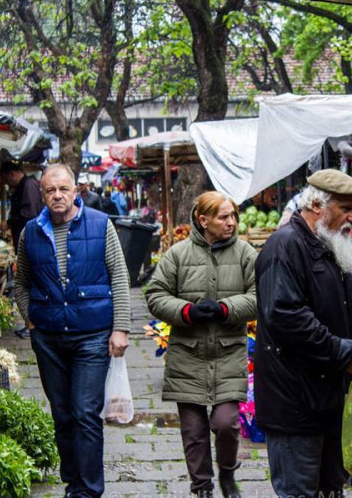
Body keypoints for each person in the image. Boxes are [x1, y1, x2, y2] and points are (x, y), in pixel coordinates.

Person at [254, 169, 352, 498]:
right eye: (346, 208)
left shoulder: (331, 244)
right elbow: (285, 315)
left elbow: (348, 304)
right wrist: (342, 352)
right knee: (300, 491)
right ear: (316, 203)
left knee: (331, 489)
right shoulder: (285, 246)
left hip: (327, 398)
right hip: (294, 402)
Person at [14, 164, 131, 498]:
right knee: (63, 414)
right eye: (50, 191)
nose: (57, 196)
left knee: (84, 413)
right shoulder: (31, 232)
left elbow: (119, 277)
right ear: (42, 192)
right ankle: (73, 483)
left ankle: (89, 490)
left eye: (63, 189)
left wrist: (120, 328)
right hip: (48, 337)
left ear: (75, 190)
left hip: (92, 335)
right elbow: (21, 282)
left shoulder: (100, 224)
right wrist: (30, 320)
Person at [146, 191, 257, 498]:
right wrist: (187, 311)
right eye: (224, 217)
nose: (231, 222)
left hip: (228, 352)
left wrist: (226, 309)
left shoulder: (246, 254)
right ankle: (202, 487)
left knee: (227, 423)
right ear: (203, 219)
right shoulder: (178, 255)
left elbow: (260, 296)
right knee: (193, 432)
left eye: (233, 215)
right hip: (188, 355)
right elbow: (155, 296)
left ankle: (228, 474)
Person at [0, 162, 44, 252]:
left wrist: (9, 223)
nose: (7, 183)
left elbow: (29, 213)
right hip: (24, 238)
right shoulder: (22, 186)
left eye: (7, 180)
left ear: (12, 174)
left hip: (30, 239)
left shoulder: (28, 186)